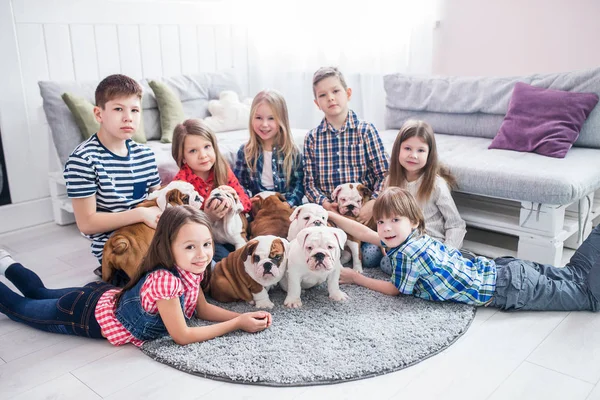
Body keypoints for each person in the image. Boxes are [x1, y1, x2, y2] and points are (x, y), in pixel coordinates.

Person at [0, 206, 272, 345]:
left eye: (206, 244)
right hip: (82, 315)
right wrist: (236, 325)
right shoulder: (166, 281)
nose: (202, 254)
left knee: (41, 293)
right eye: (190, 247)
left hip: (101, 297)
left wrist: (241, 317)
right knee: (23, 307)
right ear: (168, 246)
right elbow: (183, 335)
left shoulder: (193, 270)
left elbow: (201, 309)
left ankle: (7, 263)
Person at [330, 187, 600, 311]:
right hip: (505, 270)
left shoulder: (408, 254)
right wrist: (328, 215)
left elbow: (393, 289)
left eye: (394, 221)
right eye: (381, 222)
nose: (385, 228)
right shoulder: (412, 238)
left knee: (587, 296)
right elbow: (367, 233)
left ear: (413, 221)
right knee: (573, 274)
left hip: (508, 288)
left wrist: (356, 277)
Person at [63, 74, 162, 277]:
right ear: (99, 114)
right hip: (117, 248)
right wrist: (140, 214)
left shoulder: (145, 154)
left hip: (151, 236)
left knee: (203, 266)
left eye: (134, 110)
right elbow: (87, 223)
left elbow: (158, 197)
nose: (128, 117)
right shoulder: (83, 160)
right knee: (164, 289)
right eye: (118, 109)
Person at [303, 66, 389, 268]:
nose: (330, 98)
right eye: (323, 95)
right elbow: (309, 184)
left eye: (336, 91)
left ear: (348, 93)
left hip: (364, 214)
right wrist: (325, 203)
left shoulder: (366, 131)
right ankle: (341, 247)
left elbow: (384, 174)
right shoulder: (312, 139)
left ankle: (359, 245)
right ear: (317, 103)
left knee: (370, 258)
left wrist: (373, 203)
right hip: (332, 215)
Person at [171, 119, 251, 262]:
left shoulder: (222, 170)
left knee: (250, 250)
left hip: (230, 231)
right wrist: (208, 217)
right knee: (224, 260)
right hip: (205, 238)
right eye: (193, 151)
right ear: (182, 157)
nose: (203, 155)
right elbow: (182, 226)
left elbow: (246, 203)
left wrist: (235, 198)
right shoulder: (181, 184)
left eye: (207, 146)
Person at [386, 119, 466, 249]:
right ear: (398, 150)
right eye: (407, 148)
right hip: (402, 244)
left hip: (431, 245)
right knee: (372, 255)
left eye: (421, 150)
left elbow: (456, 224)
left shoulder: (436, 185)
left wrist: (448, 253)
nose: (413, 155)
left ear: (429, 154)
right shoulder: (390, 181)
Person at [234, 89, 304, 207]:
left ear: (282, 121)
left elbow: (299, 184)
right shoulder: (245, 151)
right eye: (259, 118)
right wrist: (248, 200)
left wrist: (288, 204)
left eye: (271, 118)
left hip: (285, 205)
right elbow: (239, 183)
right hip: (257, 207)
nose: (264, 124)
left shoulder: (292, 152)